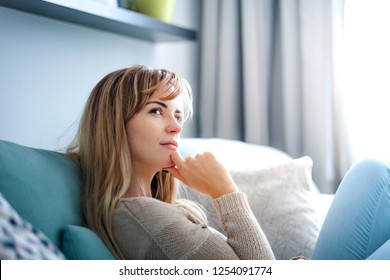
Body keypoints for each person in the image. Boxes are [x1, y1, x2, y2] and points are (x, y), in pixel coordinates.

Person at [67, 65, 390, 260]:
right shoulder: (140, 216)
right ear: (115, 124)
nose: (176, 126)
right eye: (156, 110)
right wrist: (225, 191)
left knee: (372, 173)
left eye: (178, 114)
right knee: (371, 173)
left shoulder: (155, 208)